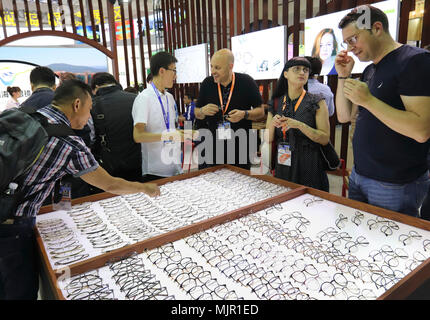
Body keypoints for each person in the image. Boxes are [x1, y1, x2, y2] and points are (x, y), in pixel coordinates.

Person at [0, 79, 160, 300]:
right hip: (12, 227)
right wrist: (144, 188)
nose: (89, 118)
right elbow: (110, 184)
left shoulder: (28, 115)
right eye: (89, 109)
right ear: (77, 105)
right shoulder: (68, 143)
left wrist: (61, 208)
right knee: (19, 290)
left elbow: (57, 176)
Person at [335, 5, 430, 218]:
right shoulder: (370, 69)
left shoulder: (414, 60)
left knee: (387, 245)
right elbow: (343, 116)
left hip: (394, 182)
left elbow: (421, 130)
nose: (350, 48)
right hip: (360, 175)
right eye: (346, 43)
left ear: (377, 28)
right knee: (358, 236)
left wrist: (368, 101)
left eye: (354, 39)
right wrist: (343, 76)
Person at [264, 57, 330, 191]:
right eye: (297, 69)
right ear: (286, 74)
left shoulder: (317, 101)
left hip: (309, 163)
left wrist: (300, 125)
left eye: (305, 70)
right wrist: (273, 124)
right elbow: (267, 138)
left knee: (310, 205)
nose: (302, 73)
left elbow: (324, 138)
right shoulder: (276, 102)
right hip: (283, 163)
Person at [194, 48, 264, 170]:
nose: (213, 71)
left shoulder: (246, 82)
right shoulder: (207, 83)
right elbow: (196, 112)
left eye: (217, 68)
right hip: (213, 146)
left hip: (241, 146)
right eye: (211, 67)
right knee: (213, 183)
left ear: (230, 66)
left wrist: (245, 114)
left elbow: (261, 111)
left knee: (241, 183)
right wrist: (202, 111)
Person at [132, 51, 184, 182]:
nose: (175, 76)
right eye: (173, 71)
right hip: (156, 171)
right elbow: (138, 136)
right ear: (162, 71)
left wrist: (182, 133)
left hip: (175, 166)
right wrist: (168, 136)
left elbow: (168, 128)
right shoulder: (144, 98)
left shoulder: (169, 97)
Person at [90, 72, 142, 182]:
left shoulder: (93, 105)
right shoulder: (137, 99)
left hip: (109, 167)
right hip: (139, 161)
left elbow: (91, 138)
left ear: (96, 87)